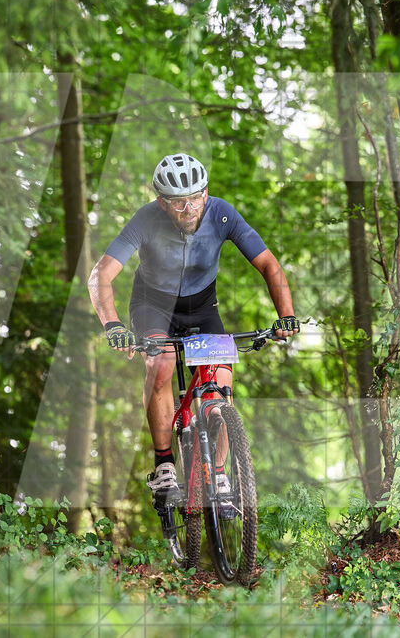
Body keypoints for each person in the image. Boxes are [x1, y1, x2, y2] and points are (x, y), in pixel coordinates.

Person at [88, 153, 299, 504]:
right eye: (179, 203)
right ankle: (164, 464)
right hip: (153, 305)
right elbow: (101, 275)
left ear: (206, 192)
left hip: (202, 307)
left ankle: (216, 475)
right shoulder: (146, 219)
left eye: (197, 197)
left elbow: (268, 264)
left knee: (222, 387)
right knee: (162, 364)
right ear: (162, 202)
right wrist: (113, 326)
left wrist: (286, 314)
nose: (190, 209)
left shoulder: (221, 213)